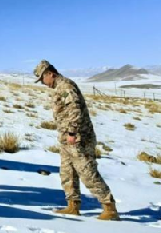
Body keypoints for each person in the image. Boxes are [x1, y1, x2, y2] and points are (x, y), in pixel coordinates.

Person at [34, 60, 119, 221]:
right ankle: (73, 206)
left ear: (50, 74)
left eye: (43, 79)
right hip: (67, 139)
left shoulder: (66, 86)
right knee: (68, 173)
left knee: (87, 172)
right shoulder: (59, 87)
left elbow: (75, 110)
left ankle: (109, 207)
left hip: (79, 138)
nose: (43, 83)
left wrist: (72, 132)